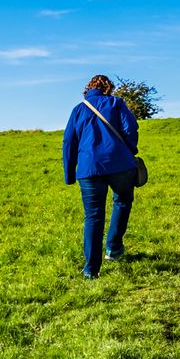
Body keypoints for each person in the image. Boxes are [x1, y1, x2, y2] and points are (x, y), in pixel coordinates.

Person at [61, 74, 141, 279]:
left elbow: (69, 142)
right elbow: (131, 128)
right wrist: (129, 149)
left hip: (89, 169)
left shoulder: (78, 110)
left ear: (88, 90)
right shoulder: (116, 103)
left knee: (93, 217)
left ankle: (91, 269)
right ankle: (113, 247)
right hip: (120, 165)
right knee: (123, 201)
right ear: (108, 88)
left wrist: (69, 174)